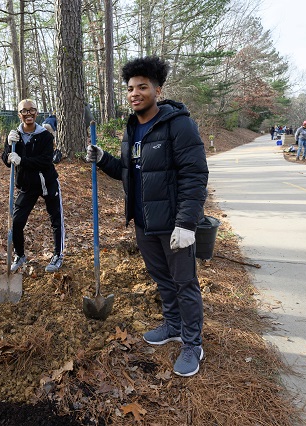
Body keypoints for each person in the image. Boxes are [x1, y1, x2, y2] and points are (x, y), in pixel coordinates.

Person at [86, 55, 209, 377]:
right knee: (163, 280)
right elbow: (131, 172)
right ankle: (172, 325)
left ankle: (193, 343)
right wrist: (103, 159)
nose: (134, 93)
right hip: (144, 222)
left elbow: (195, 175)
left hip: (173, 223)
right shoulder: (132, 127)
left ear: (158, 89)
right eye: (130, 88)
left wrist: (187, 222)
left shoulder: (179, 124)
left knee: (185, 283)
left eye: (142, 87)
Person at [2, 99, 65, 273]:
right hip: (27, 185)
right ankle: (20, 254)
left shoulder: (45, 135)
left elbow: (46, 161)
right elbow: (6, 161)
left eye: (32, 111)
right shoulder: (15, 135)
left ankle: (57, 255)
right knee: (17, 222)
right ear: (19, 114)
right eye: (24, 111)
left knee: (55, 220)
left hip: (47, 183)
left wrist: (22, 160)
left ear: (36, 113)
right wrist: (9, 146)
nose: (28, 114)